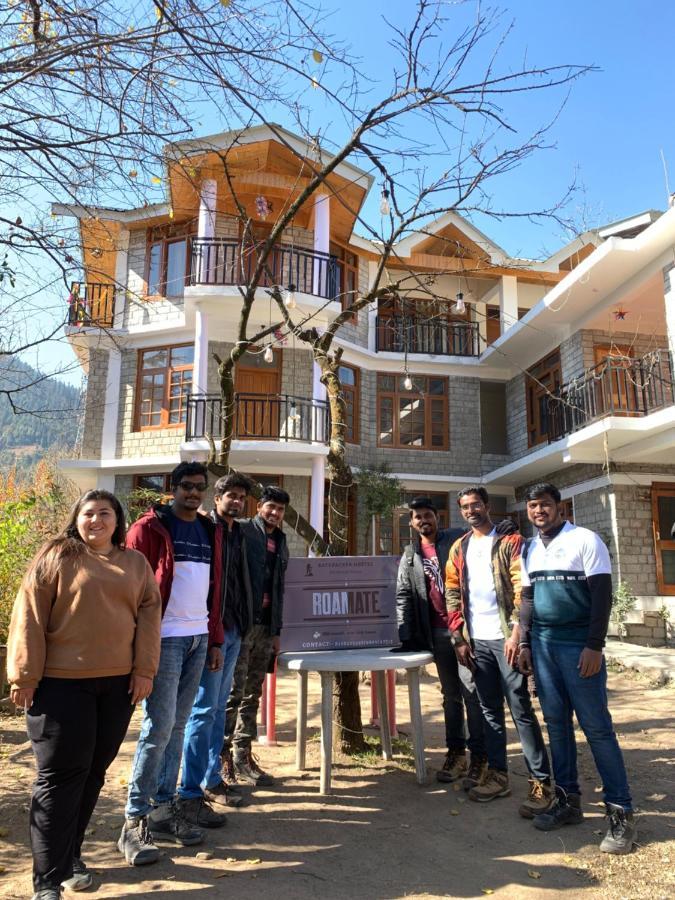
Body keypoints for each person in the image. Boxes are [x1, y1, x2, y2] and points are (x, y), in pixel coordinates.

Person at [7, 490, 161, 900]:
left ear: (118, 520)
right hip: (60, 685)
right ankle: (47, 881)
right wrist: (24, 676)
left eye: (104, 513)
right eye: (88, 513)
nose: (96, 520)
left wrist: (145, 671)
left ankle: (70, 855)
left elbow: (149, 617)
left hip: (117, 686)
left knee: (93, 772)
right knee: (58, 778)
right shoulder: (57, 557)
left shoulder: (135, 563)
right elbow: (29, 615)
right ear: (76, 518)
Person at [119, 462, 227, 867]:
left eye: (200, 487)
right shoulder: (148, 529)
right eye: (186, 486)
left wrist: (214, 638)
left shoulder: (208, 530)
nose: (193, 493)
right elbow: (129, 589)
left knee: (178, 727)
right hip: (161, 641)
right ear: (171, 488)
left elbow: (214, 588)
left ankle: (164, 809)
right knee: (158, 728)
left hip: (198, 638)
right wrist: (134, 648)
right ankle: (135, 819)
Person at [519, 482, 636, 854]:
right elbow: (527, 598)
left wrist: (594, 646)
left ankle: (621, 815)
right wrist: (524, 642)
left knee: (597, 729)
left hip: (579, 648)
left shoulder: (585, 540)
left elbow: (603, 595)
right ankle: (567, 802)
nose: (539, 511)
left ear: (560, 508)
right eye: (533, 506)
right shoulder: (530, 547)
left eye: (546, 505)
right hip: (544, 647)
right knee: (557, 727)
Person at [446, 486, 552, 818]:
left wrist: (518, 634)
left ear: (488, 506)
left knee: (521, 711)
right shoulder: (460, 547)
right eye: (465, 507)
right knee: (489, 711)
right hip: (477, 644)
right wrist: (458, 638)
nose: (471, 511)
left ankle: (540, 786)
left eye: (476, 505)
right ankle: (498, 776)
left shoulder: (510, 542)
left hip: (505, 641)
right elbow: (451, 591)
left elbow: (524, 589)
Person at [395, 496, 488, 787]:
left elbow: (484, 538)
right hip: (435, 633)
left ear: (437, 518)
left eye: (428, 515)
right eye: (417, 516)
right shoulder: (410, 555)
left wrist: (505, 529)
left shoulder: (458, 540)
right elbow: (404, 596)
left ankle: (480, 757)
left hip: (463, 631)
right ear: (411, 523)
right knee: (450, 696)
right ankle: (456, 753)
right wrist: (406, 635)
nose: (423, 520)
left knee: (472, 693)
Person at [178, 474, 253, 811]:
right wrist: (212, 635)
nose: (236, 502)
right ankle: (191, 789)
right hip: (212, 631)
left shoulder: (238, 532)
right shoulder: (207, 529)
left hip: (235, 629)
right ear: (218, 496)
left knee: (218, 710)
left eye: (242, 497)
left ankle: (210, 780)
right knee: (204, 709)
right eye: (231, 495)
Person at [222, 485, 289, 788]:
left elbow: (279, 589)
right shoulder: (244, 531)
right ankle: (221, 759)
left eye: (280, 509)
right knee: (232, 695)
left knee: (253, 695)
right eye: (270, 506)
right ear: (259, 506)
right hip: (241, 626)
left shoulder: (282, 540)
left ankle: (242, 756)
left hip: (265, 629)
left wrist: (276, 632)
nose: (274, 513)